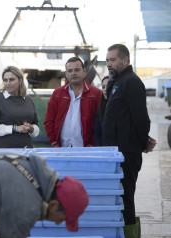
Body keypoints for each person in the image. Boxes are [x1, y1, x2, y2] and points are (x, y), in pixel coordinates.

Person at [103, 44, 156, 237]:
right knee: (117, 197)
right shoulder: (116, 82)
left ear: (125, 60)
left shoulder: (131, 82)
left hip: (126, 152)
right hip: (115, 152)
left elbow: (140, 117)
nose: (109, 64)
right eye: (107, 60)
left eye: (113, 60)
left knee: (125, 199)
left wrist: (143, 142)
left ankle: (130, 233)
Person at [44, 57, 102, 147]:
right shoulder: (57, 94)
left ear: (84, 71)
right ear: (66, 74)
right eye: (70, 71)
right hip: (62, 148)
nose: (73, 73)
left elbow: (99, 123)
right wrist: (54, 143)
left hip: (87, 149)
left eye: (77, 70)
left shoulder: (96, 94)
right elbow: (48, 121)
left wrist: (92, 144)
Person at [0, 66, 39, 148]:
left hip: (26, 150)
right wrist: (15, 128)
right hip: (3, 152)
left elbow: (36, 126)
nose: (7, 83)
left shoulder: (28, 99)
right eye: (5, 80)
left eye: (11, 79)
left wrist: (30, 128)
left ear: (20, 80)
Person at [93, 76, 110, 146]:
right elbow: (97, 132)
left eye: (108, 86)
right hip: (105, 149)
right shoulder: (100, 107)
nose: (105, 89)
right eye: (103, 87)